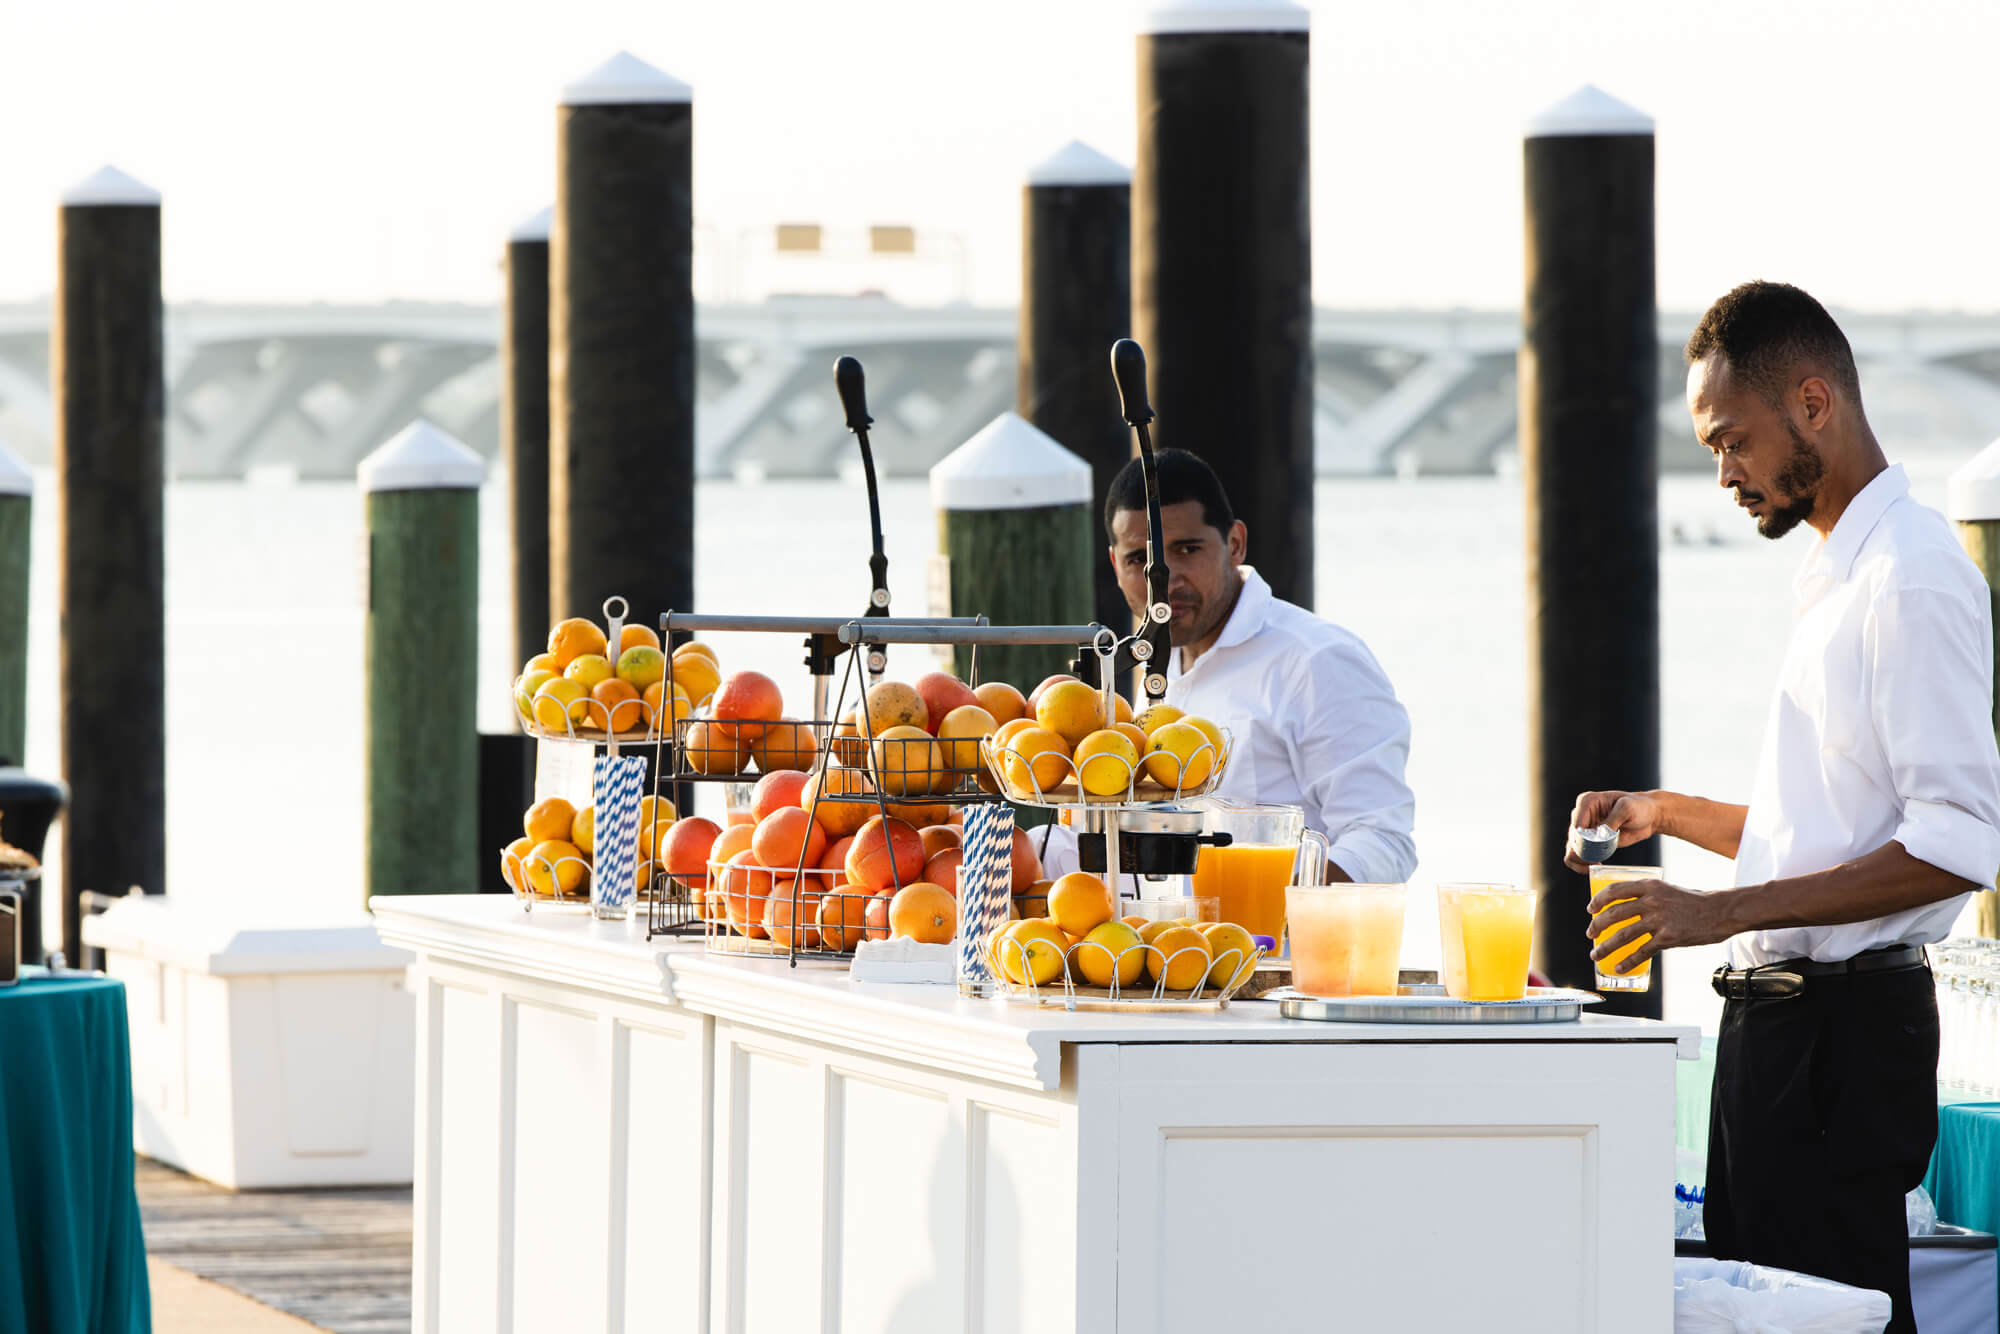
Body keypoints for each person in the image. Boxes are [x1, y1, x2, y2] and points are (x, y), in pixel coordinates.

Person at [1566, 281, 2000, 1332]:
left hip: (1840, 1039)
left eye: (1730, 440)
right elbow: (1824, 826)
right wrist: (1665, 810)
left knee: (1833, 1312)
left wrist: (1713, 912)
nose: (1720, 472)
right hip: (1781, 1032)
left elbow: (1958, 842)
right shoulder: (1835, 571)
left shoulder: (1908, 578)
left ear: (1812, 402)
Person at [1101, 449, 1417, 884]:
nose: (1166, 580)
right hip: (1171, 948)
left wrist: (1275, 911)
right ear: (1115, 565)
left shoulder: (1316, 660)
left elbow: (1381, 841)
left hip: (1283, 951)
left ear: (1235, 544)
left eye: (1187, 549)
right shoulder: (1156, 661)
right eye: (1140, 560)